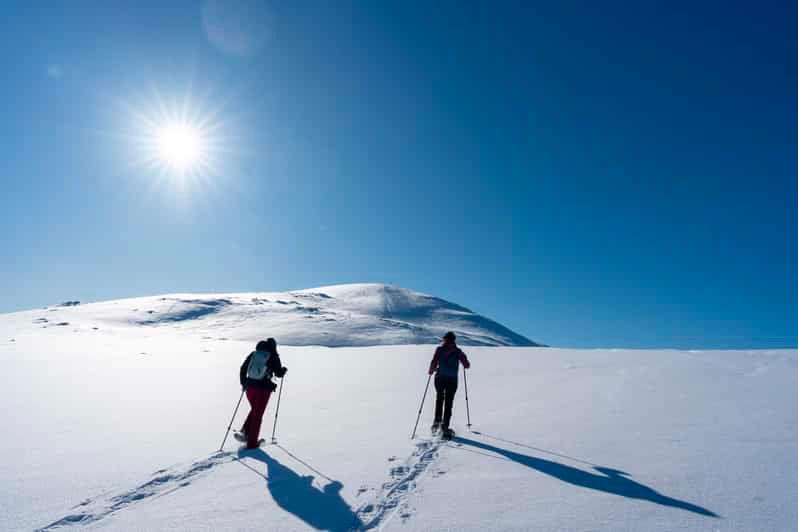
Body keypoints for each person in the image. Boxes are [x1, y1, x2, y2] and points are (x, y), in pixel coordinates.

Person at [235, 338, 287, 449]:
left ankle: (245, 433)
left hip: (249, 388)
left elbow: (243, 368)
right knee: (258, 415)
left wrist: (244, 383)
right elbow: (278, 373)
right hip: (263, 389)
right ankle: (252, 443)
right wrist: (283, 371)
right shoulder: (273, 356)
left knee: (255, 410)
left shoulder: (254, 354)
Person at [428, 331, 470, 438]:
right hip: (452, 380)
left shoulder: (439, 349)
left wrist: (431, 370)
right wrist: (464, 361)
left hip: (439, 378)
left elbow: (434, 362)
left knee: (439, 398)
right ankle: (445, 427)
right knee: (449, 402)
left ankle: (436, 423)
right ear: (454, 340)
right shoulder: (458, 351)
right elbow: (466, 365)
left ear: (445, 339)